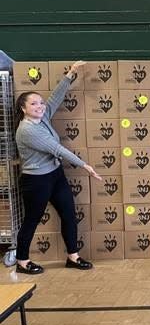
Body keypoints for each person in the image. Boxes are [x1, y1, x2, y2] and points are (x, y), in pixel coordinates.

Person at [14, 61, 102, 274]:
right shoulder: (27, 131)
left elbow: (55, 98)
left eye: (40, 103)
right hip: (36, 181)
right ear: (23, 108)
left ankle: (73, 256)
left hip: (55, 175)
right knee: (32, 220)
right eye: (34, 104)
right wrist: (85, 165)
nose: (40, 106)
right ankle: (22, 261)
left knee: (69, 214)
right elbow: (57, 149)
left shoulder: (43, 117)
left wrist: (70, 74)